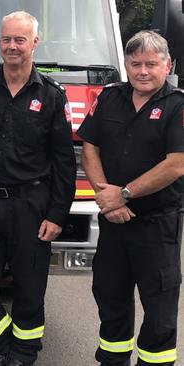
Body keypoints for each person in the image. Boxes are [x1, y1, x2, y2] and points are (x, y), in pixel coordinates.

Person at [0, 11, 76, 366]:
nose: (12, 46)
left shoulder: (53, 95)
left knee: (29, 288)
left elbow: (64, 162)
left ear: (34, 44)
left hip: (32, 205)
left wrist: (57, 215)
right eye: (7, 39)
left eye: (19, 40)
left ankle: (23, 352)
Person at [77, 30, 184, 366]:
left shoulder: (177, 105)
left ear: (167, 65)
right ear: (125, 64)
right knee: (109, 298)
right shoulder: (109, 98)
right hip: (114, 224)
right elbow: (89, 146)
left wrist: (122, 194)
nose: (142, 71)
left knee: (159, 310)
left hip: (156, 225)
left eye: (151, 64)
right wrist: (103, 195)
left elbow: (177, 164)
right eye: (135, 63)